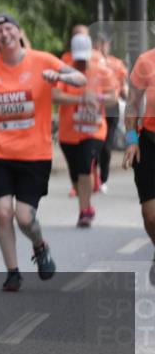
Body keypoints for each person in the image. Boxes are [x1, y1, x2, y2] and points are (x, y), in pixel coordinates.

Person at [0, 13, 85, 292]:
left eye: (9, 28)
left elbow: (80, 79)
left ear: (19, 32)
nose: (4, 34)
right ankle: (12, 272)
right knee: (2, 213)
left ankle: (39, 245)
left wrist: (60, 75)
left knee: (24, 218)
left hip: (35, 154)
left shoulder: (42, 60)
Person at [54, 34, 116, 227]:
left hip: (93, 130)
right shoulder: (64, 71)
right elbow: (55, 95)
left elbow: (113, 98)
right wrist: (80, 99)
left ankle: (84, 211)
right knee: (75, 175)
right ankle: (85, 203)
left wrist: (97, 98)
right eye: (78, 58)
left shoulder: (102, 71)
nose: (81, 62)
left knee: (85, 166)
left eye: (84, 58)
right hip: (68, 132)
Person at [122, 47, 155, 286]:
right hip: (149, 144)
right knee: (150, 215)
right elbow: (132, 104)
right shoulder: (146, 62)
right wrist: (132, 139)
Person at [98, 33, 129, 192]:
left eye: (104, 44)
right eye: (98, 44)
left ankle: (103, 179)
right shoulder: (89, 63)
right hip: (94, 108)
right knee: (92, 144)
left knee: (106, 146)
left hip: (111, 107)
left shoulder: (116, 64)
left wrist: (127, 94)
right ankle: (88, 176)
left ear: (108, 45)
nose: (101, 47)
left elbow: (123, 88)